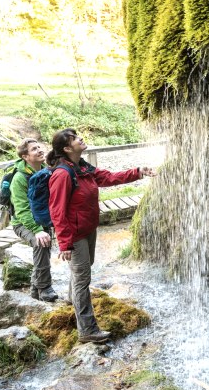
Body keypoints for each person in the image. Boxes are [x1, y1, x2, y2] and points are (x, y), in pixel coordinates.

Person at [47, 128, 155, 343]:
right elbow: (57, 211)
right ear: (67, 148)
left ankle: (72, 301)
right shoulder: (62, 174)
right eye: (76, 138)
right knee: (82, 279)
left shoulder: (82, 167)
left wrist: (138, 171)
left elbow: (108, 178)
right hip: (75, 234)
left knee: (84, 271)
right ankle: (87, 330)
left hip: (88, 228)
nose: (81, 138)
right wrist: (65, 243)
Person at [10, 138, 58, 302]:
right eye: (34, 149)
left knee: (43, 246)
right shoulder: (20, 178)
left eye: (39, 147)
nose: (39, 150)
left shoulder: (46, 170)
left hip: (42, 219)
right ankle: (44, 288)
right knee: (41, 243)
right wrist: (37, 230)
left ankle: (34, 292)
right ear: (25, 156)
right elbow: (22, 210)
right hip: (22, 223)